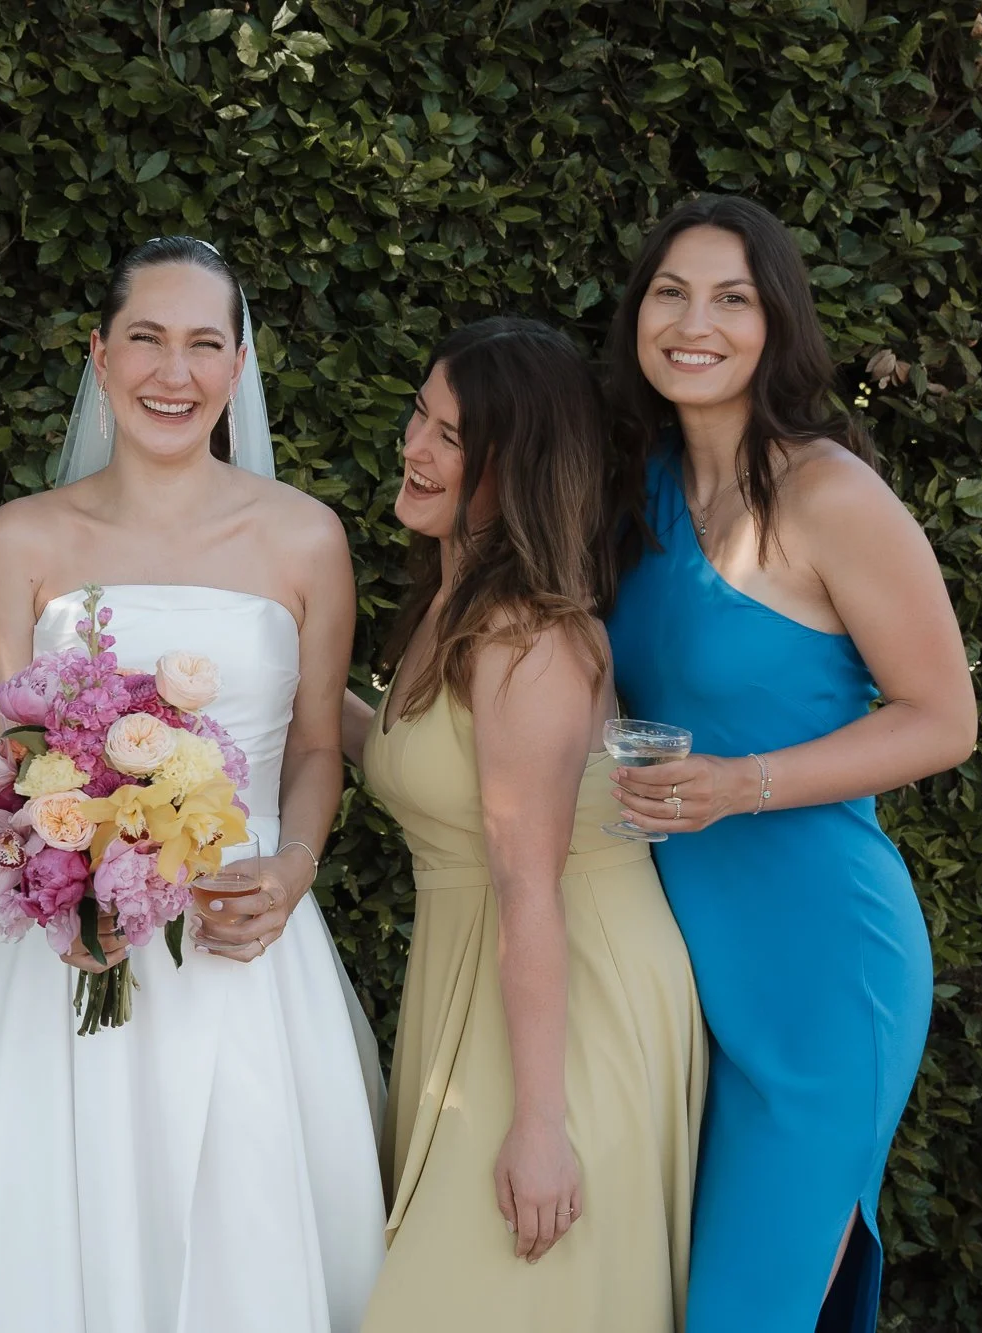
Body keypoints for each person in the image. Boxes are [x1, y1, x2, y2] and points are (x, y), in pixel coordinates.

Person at [0, 236, 386, 1333]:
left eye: (204, 344)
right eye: (145, 339)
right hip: (69, 947)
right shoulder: (22, 540)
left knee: (241, 1219)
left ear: (238, 367)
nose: (172, 371)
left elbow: (311, 750)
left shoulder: (304, 538)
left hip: (238, 931)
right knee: (75, 1222)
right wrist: (68, 864)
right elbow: (3, 760)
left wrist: (290, 871)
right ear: (98, 360)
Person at [602, 194, 977, 1331]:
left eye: (730, 297)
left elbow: (941, 717)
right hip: (671, 962)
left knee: (743, 1310)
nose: (691, 322)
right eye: (669, 292)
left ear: (775, 324)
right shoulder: (635, 491)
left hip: (818, 963)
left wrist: (738, 783)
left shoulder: (827, 492)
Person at [342, 318, 706, 1330]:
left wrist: (539, 1123)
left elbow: (525, 881)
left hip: (564, 998)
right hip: (480, 975)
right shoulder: (448, 608)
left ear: (518, 466)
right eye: (420, 414)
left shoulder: (524, 638)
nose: (413, 446)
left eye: (451, 437)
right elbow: (428, 767)